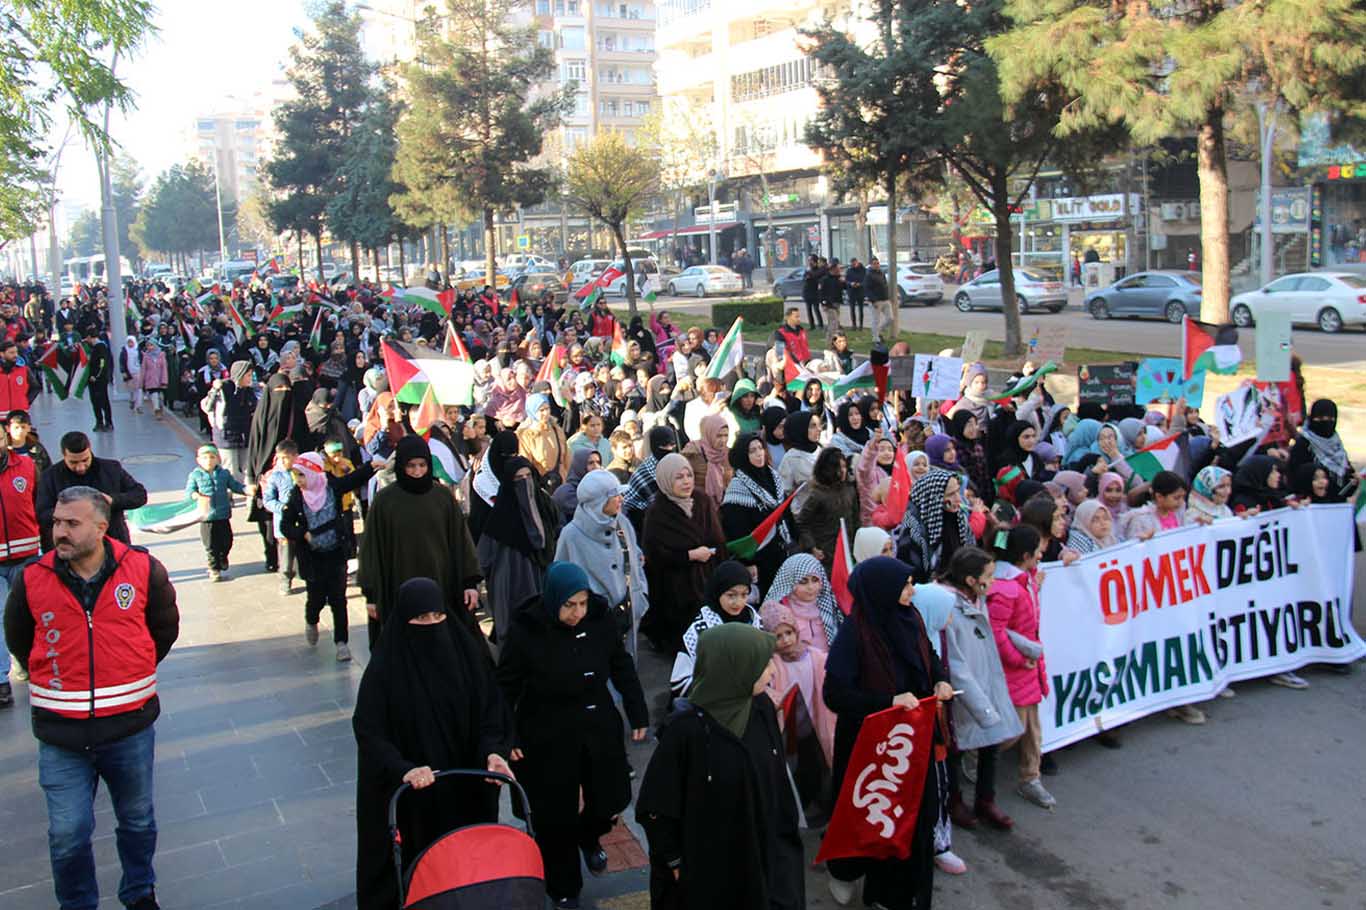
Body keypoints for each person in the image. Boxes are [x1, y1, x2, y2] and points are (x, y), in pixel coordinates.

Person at [3, 485, 179, 910]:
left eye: (71, 524)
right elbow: (20, 641)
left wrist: (127, 668)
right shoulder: (32, 579)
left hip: (129, 728)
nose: (59, 532)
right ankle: (77, 903)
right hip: (61, 736)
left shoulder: (142, 569)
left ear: (101, 527)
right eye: (56, 523)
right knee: (68, 832)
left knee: (137, 821)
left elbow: (163, 629)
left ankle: (139, 892)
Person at [351, 578, 514, 910]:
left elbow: (490, 713)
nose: (432, 625)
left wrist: (492, 752)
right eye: (420, 619)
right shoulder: (386, 669)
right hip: (414, 800)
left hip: (463, 788)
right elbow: (369, 730)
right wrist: (405, 769)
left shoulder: (467, 657)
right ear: (403, 621)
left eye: (438, 617)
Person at [497, 562, 649, 908]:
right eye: (569, 605)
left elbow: (620, 663)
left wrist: (637, 710)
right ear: (553, 601)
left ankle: (589, 834)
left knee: (612, 796)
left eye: (581, 604)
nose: (577, 613)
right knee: (555, 815)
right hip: (547, 731)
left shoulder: (599, 618)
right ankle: (564, 887)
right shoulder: (527, 629)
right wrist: (509, 737)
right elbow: (505, 687)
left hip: (597, 725)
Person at [638, 623, 804, 910]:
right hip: (710, 880)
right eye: (763, 665)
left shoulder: (761, 708)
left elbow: (777, 786)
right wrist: (675, 862)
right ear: (735, 669)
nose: (772, 672)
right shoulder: (686, 732)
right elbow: (656, 809)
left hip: (764, 867)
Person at [822, 556, 953, 909]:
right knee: (872, 818)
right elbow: (835, 694)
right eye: (905, 584)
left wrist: (940, 682)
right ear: (882, 591)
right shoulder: (856, 633)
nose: (912, 590)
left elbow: (931, 661)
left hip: (913, 740)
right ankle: (847, 871)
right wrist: (887, 701)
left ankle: (895, 894)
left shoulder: (912, 619)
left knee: (912, 819)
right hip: (870, 747)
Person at [357, 436, 481, 645]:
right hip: (398, 584)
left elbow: (461, 541)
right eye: (411, 466)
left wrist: (469, 582)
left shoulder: (441, 497)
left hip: (442, 583)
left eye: (422, 465)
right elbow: (372, 549)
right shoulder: (385, 501)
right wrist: (371, 595)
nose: (417, 472)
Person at [940, 547, 1021, 835]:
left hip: (986, 676)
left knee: (991, 743)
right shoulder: (948, 606)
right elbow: (955, 663)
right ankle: (955, 801)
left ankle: (986, 800)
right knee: (957, 746)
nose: (993, 581)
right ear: (971, 580)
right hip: (964, 689)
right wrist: (981, 704)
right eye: (988, 576)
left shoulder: (977, 598)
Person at [281, 451, 381, 662]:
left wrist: (372, 466)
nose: (299, 480)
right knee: (315, 599)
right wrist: (303, 534)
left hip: (335, 553)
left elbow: (352, 479)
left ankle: (341, 643)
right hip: (312, 557)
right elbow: (285, 525)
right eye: (296, 475)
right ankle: (312, 620)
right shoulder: (296, 497)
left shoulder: (331, 487)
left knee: (338, 600)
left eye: (302, 475)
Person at [987, 526, 1056, 809]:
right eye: (1038, 550)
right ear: (1026, 555)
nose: (1042, 553)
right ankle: (976, 757)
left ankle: (1030, 777)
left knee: (1032, 729)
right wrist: (1019, 659)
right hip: (1015, 670)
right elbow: (996, 631)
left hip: (1027, 669)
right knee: (1012, 731)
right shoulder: (1005, 590)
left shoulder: (1023, 582)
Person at [554, 469, 650, 656]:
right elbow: (559, 580)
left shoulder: (622, 523)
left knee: (627, 667)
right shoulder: (571, 535)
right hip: (592, 620)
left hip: (629, 613)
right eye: (615, 495)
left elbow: (636, 557)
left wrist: (641, 594)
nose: (621, 498)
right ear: (599, 502)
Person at [640, 453, 725, 653]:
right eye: (679, 477)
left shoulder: (702, 501)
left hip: (707, 579)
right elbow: (654, 557)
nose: (686, 482)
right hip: (675, 590)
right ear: (667, 480)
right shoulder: (657, 512)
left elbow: (718, 539)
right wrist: (689, 555)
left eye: (689, 475)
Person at [477, 455, 561, 641]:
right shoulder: (500, 516)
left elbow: (551, 535)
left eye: (527, 477)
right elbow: (483, 557)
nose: (524, 483)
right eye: (518, 479)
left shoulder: (544, 505)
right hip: (510, 582)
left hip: (542, 575)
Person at [36, 431, 148, 549]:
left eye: (85, 460)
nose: (80, 467)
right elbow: (42, 514)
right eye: (73, 462)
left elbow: (139, 495)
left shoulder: (111, 469)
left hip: (112, 544)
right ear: (64, 455)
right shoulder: (50, 477)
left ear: (90, 450)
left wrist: (113, 500)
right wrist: (69, 511)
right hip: (70, 548)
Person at [671, 559, 763, 696]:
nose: (738, 602)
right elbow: (679, 682)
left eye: (744, 595)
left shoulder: (753, 621)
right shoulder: (701, 629)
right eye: (731, 595)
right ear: (718, 592)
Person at [720, 432, 793, 593]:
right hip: (760, 560)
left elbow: (786, 513)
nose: (759, 453)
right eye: (752, 451)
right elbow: (736, 530)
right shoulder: (738, 487)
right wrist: (748, 562)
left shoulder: (773, 477)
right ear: (742, 455)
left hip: (783, 552)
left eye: (761, 448)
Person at [0, 423, 38, 702]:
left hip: (26, 556)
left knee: (26, 614)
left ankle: (24, 658)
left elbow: (40, 504)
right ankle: (1, 679)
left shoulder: (26, 465)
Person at [895, 467, 973, 583]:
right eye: (951, 494)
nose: (958, 499)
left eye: (958, 491)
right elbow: (913, 571)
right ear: (935, 498)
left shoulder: (959, 517)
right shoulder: (913, 527)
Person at [184, 444, 246, 582]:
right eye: (205, 458)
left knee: (227, 541)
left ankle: (223, 556)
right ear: (198, 460)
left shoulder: (224, 474)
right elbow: (189, 492)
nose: (209, 460)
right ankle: (214, 569)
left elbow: (235, 486)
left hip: (223, 515)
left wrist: (246, 490)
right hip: (206, 516)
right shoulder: (195, 475)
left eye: (212, 457)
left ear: (218, 459)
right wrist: (195, 495)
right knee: (210, 545)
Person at [83, 326, 114, 431]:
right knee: (95, 401)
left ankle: (108, 422)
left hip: (99, 379)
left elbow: (102, 363)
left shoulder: (101, 347)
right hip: (92, 380)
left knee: (103, 401)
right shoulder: (91, 347)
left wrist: (96, 375)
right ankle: (99, 422)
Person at [8, 409, 52, 475]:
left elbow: (48, 470)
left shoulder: (37, 448)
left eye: (23, 427)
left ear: (29, 428)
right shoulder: (3, 449)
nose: (20, 431)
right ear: (8, 428)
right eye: (16, 427)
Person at [865, 257, 892, 342]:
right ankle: (875, 338)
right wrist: (873, 300)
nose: (876, 265)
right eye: (874, 264)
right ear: (871, 265)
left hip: (885, 299)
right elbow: (867, 289)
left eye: (877, 263)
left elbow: (885, 285)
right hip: (876, 301)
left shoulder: (881, 273)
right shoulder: (869, 275)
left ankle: (879, 330)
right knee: (876, 320)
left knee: (890, 318)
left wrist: (888, 296)